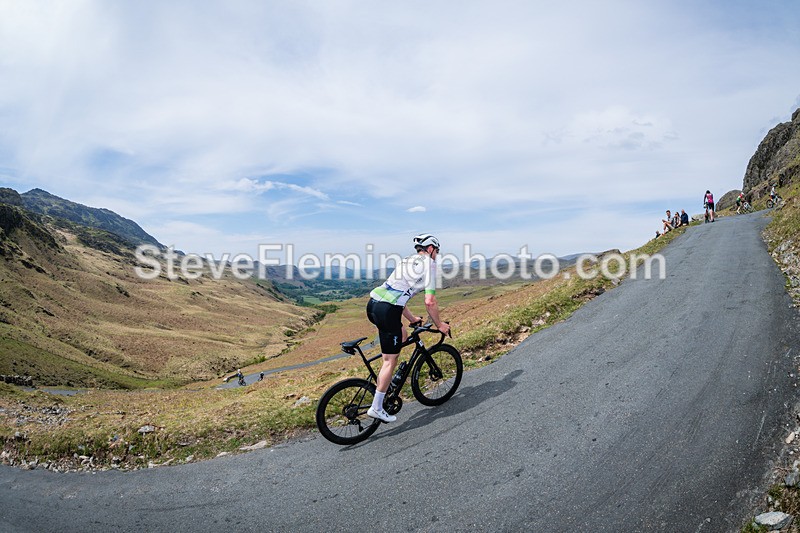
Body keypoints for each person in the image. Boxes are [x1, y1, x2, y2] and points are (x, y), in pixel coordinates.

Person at [365, 233, 450, 422]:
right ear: (430, 249)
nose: (437, 254)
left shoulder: (407, 261)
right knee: (390, 360)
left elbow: (398, 293)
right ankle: (377, 407)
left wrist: (411, 318)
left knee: (402, 335)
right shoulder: (429, 264)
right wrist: (440, 324)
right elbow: (430, 301)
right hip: (388, 310)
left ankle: (387, 381)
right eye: (437, 251)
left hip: (373, 305)